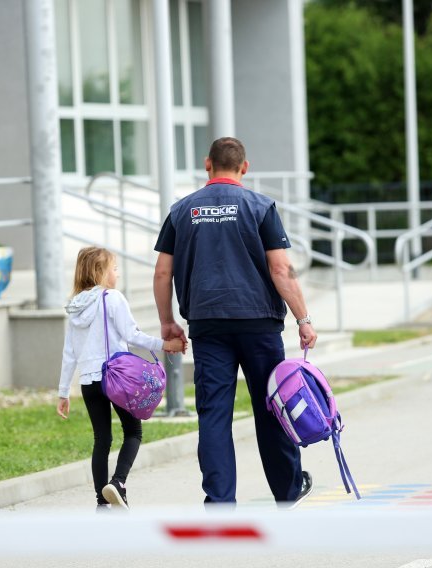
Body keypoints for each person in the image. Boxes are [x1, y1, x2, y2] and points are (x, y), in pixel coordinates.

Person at [153, 137, 319, 507]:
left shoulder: (182, 210)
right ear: (245, 167)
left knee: (214, 413)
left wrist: (167, 322)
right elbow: (280, 268)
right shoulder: (260, 207)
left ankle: (219, 501)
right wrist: (303, 318)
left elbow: (163, 273)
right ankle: (288, 490)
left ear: (207, 164)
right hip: (259, 323)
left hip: (208, 324)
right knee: (273, 406)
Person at [57, 247, 186, 511]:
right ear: (100, 272)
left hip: (89, 382)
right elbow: (132, 335)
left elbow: (69, 354)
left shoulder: (74, 306)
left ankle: (101, 503)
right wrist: (165, 345)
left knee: (101, 439)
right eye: (114, 269)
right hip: (117, 378)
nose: (117, 273)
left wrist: (63, 392)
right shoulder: (111, 298)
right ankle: (118, 483)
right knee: (133, 432)